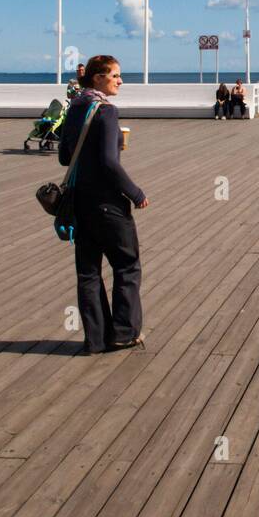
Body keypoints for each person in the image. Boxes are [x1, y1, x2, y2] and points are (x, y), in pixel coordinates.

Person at [57, 55, 148, 354]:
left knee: (88, 272)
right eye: (116, 75)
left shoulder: (75, 108)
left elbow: (64, 158)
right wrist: (135, 193)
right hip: (108, 204)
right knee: (126, 266)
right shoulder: (106, 112)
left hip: (80, 203)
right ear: (97, 77)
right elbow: (110, 163)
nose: (120, 81)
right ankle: (123, 332)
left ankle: (95, 339)